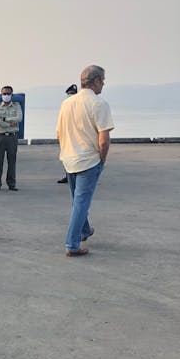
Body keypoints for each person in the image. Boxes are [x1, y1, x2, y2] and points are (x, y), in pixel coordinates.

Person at [57, 65, 114, 257]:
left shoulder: (66, 103)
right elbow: (104, 140)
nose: (103, 84)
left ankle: (85, 230)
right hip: (88, 161)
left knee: (77, 200)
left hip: (69, 159)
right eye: (102, 80)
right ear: (96, 81)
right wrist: (102, 160)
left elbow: (59, 134)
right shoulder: (99, 104)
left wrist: (66, 151)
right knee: (81, 204)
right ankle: (72, 245)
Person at [0, 86, 23, 191]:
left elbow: (19, 118)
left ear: (12, 95)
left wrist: (4, 119)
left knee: (12, 161)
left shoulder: (16, 106)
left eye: (8, 94)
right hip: (0, 136)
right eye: (4, 94)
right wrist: (9, 124)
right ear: (1, 95)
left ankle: (11, 184)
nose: (6, 96)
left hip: (12, 137)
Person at [57, 84, 78, 183]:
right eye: (69, 94)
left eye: (72, 94)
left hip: (76, 136)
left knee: (76, 156)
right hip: (66, 135)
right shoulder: (65, 105)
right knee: (67, 156)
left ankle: (76, 176)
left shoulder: (79, 105)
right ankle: (68, 175)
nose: (70, 95)